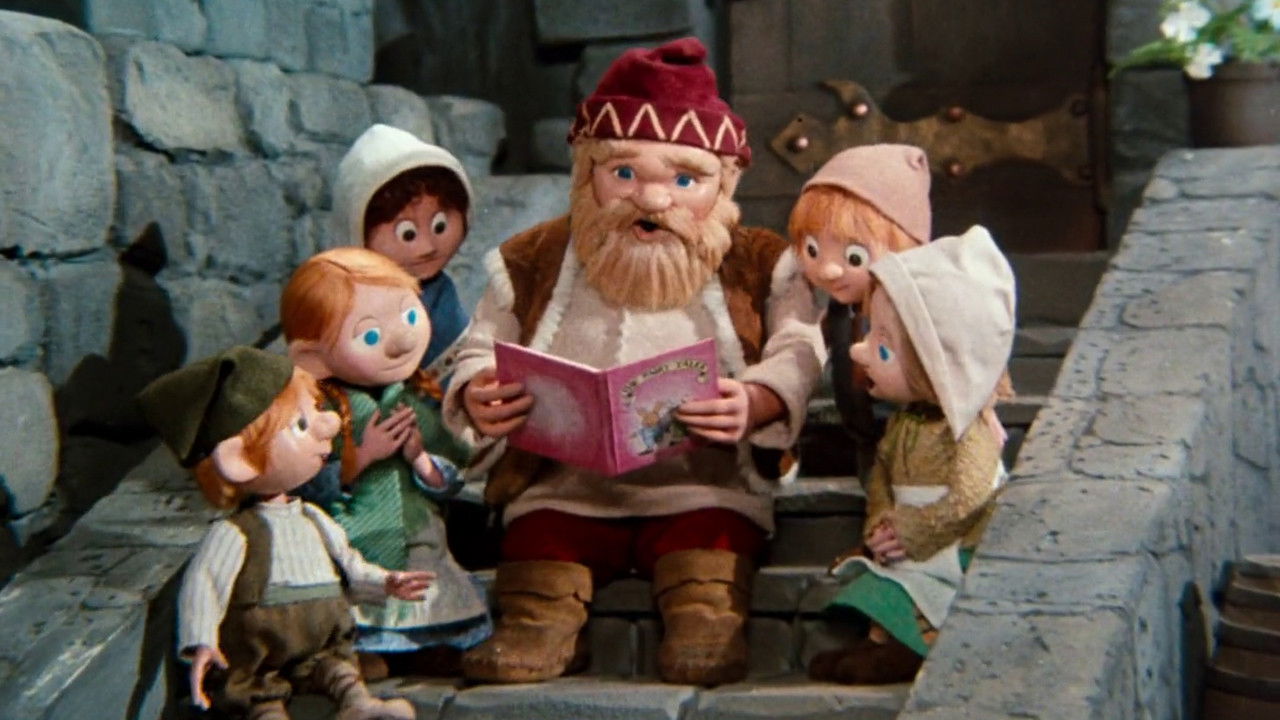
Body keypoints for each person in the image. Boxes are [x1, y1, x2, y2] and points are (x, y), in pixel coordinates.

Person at [441, 36, 825, 686]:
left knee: (710, 556)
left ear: (723, 185)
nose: (652, 200)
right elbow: (480, 343)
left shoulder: (760, 261)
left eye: (684, 180)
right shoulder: (530, 259)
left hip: (702, 482)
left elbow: (800, 345)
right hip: (566, 487)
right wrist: (478, 389)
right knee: (539, 550)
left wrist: (760, 399)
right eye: (623, 174)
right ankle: (536, 627)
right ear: (586, 174)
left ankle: (705, 619)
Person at [136, 346, 428, 720]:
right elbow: (206, 584)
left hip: (320, 642)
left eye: (318, 410)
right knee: (259, 695)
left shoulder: (313, 517)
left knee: (338, 669)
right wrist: (202, 640)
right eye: (302, 423)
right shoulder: (235, 533)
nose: (330, 424)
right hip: (262, 651)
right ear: (241, 459)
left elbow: (350, 565)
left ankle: (359, 706)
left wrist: (386, 582)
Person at [807, 227, 1015, 685]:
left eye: (881, 347)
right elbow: (882, 475)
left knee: (922, 590)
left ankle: (911, 648)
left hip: (946, 543)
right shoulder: (904, 424)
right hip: (906, 538)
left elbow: (968, 497)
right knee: (886, 585)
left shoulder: (966, 433)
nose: (858, 351)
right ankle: (881, 641)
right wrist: (880, 520)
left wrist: (912, 530)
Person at [282, 247, 489, 680]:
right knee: (361, 583)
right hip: (355, 531)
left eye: (409, 315)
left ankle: (429, 644)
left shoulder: (416, 399)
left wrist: (420, 458)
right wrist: (363, 455)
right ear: (313, 357)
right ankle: (358, 648)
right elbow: (302, 483)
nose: (401, 340)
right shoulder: (318, 410)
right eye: (371, 336)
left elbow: (452, 470)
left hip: (415, 527)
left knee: (426, 577)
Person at [788, 144, 933, 481]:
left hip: (918, 437)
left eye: (854, 257)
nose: (829, 270)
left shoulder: (915, 311)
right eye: (813, 250)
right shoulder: (842, 309)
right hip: (864, 437)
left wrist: (981, 410)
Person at [333, 123, 474, 391]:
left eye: (439, 227)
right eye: (408, 234)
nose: (427, 247)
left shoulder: (439, 291)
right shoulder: (347, 299)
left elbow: (462, 352)